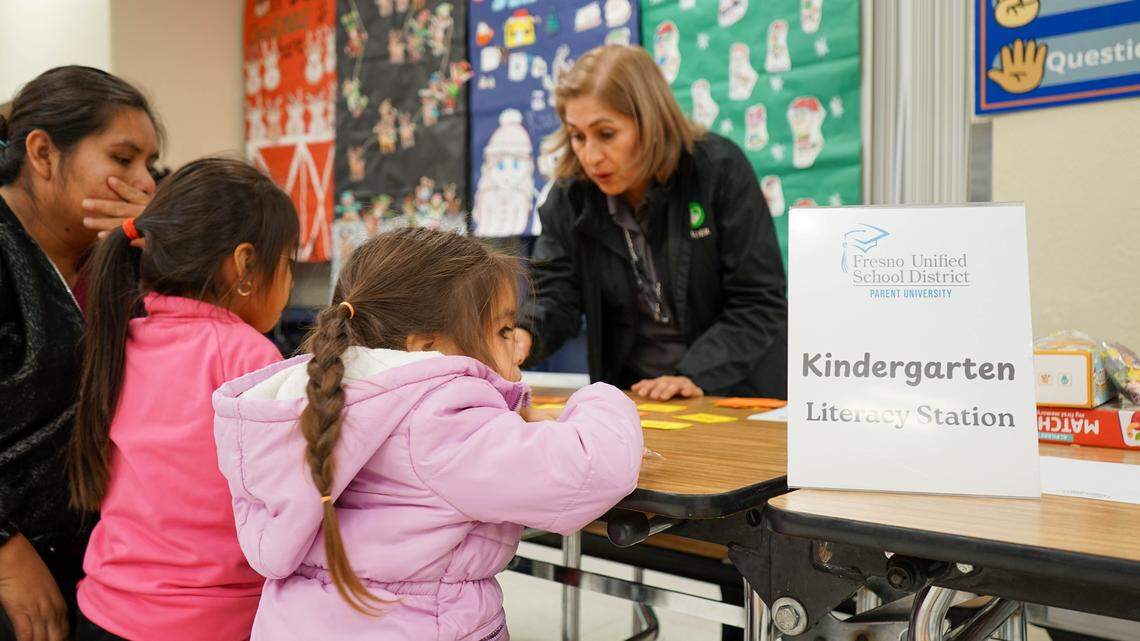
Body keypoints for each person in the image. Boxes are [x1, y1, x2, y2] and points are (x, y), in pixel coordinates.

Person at [213, 228, 643, 640]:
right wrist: (601, 399)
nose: (516, 348)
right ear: (425, 349)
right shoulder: (441, 419)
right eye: (503, 331)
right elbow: (588, 469)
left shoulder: (318, 398)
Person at [68, 158, 300, 641]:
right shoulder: (250, 355)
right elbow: (289, 498)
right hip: (210, 624)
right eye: (288, 263)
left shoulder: (118, 338)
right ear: (244, 265)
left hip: (102, 611)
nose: (291, 280)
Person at [515, 44, 788, 402]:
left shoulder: (718, 169)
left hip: (732, 391)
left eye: (606, 134)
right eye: (578, 136)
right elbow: (554, 295)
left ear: (651, 121)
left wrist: (694, 374)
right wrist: (523, 335)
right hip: (634, 398)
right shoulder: (569, 198)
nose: (591, 156)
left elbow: (759, 301)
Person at [0, 66, 161, 641]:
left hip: (96, 561)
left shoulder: (123, 261)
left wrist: (156, 255)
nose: (144, 184)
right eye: (122, 160)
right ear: (42, 153)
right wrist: (6, 554)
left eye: (150, 165)